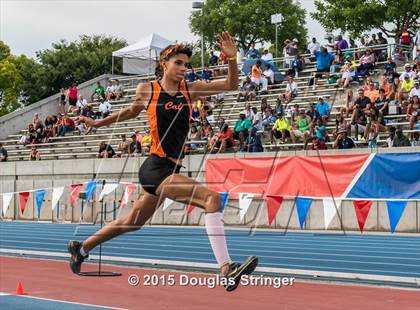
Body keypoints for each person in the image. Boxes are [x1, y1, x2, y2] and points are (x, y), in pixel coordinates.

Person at [70, 32, 258, 292]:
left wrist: (233, 58)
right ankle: (226, 268)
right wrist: (97, 122)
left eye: (186, 64)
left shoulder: (190, 90)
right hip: (156, 167)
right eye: (178, 63)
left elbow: (231, 85)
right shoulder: (147, 89)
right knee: (211, 199)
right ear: (164, 63)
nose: (183, 68)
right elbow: (129, 112)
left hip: (171, 168)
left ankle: (82, 248)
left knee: (131, 223)